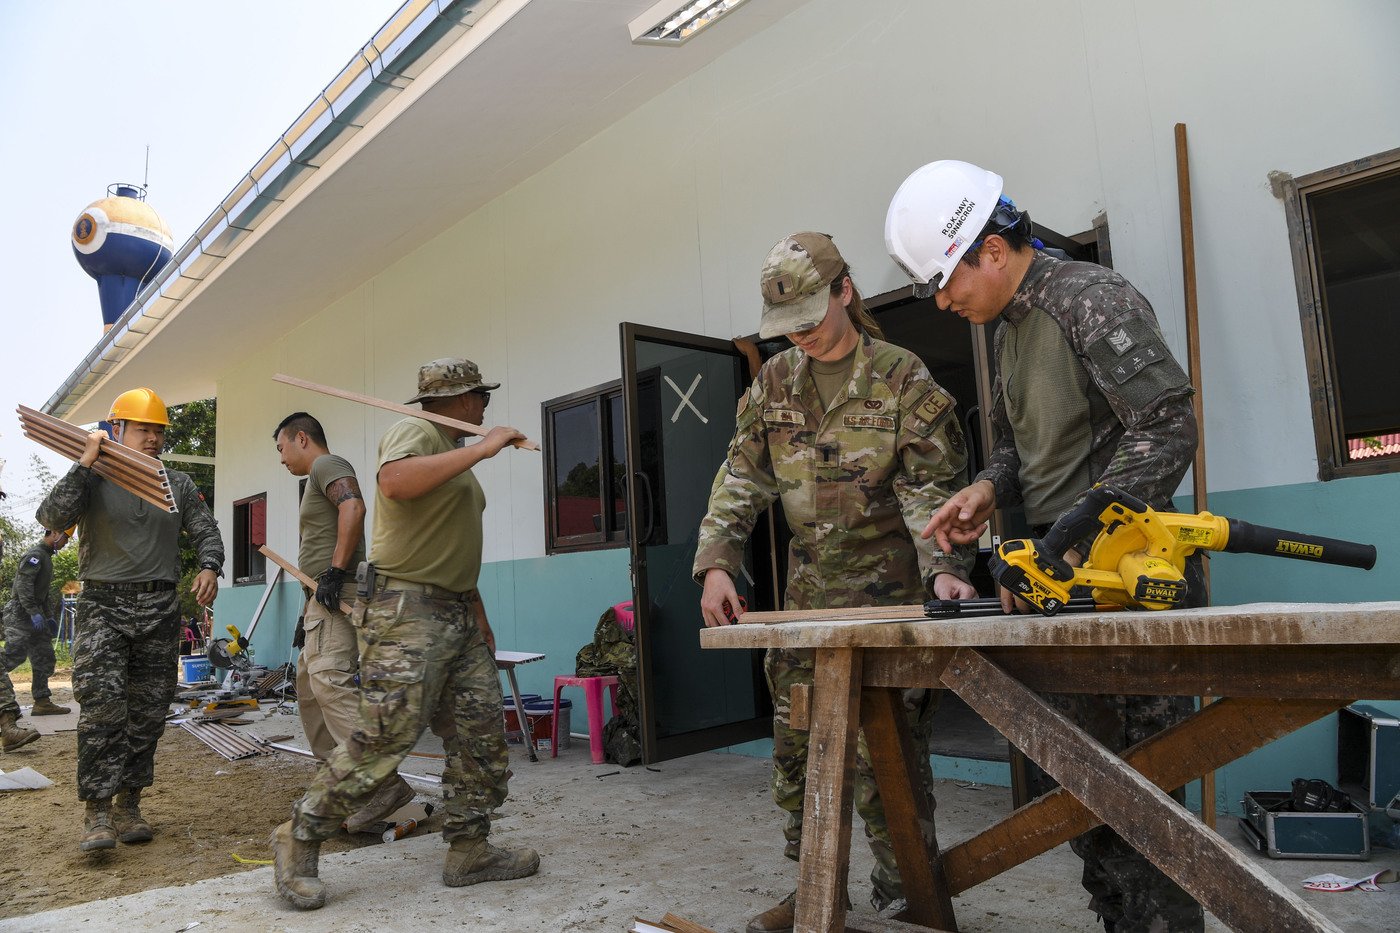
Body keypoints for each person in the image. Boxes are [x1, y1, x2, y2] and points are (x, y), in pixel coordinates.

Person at [887, 159, 1203, 933]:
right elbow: (1021, 449)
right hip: (1064, 589)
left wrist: (1074, 529)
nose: (942, 299)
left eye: (945, 279)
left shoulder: (1090, 299)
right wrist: (988, 488)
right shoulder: (1007, 329)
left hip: (1128, 588)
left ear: (991, 250)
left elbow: (1167, 423)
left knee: (1147, 806)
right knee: (1085, 801)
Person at [694, 232, 976, 932]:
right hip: (805, 606)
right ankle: (814, 889)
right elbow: (742, 475)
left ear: (844, 292)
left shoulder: (901, 377)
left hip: (891, 604)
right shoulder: (774, 382)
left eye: (812, 320)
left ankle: (907, 894)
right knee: (799, 754)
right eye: (788, 327)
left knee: (891, 762)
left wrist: (944, 571)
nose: (802, 337)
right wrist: (719, 559)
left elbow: (929, 490)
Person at [272, 358, 537, 910]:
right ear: (460, 400)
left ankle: (470, 849)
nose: (485, 406)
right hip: (406, 611)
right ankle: (299, 838)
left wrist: (478, 611)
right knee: (384, 738)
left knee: (479, 735)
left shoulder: (449, 457)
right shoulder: (413, 431)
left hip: (456, 611)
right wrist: (485, 447)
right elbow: (392, 484)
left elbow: (450, 544)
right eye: (479, 397)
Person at [37, 387, 223, 854]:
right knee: (103, 709)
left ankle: (128, 804)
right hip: (103, 607)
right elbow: (52, 516)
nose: (154, 438)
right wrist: (84, 463)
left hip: (159, 610)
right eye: (144, 429)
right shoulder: (92, 478)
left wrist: (209, 566)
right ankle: (97, 810)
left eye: (159, 431)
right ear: (117, 428)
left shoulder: (176, 484)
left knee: (147, 713)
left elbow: (207, 530)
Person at [272, 411, 415, 829]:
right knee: (309, 689)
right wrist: (307, 609)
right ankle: (338, 781)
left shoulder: (325, 465)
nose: (281, 459)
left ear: (302, 438)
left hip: (337, 591)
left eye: (281, 448)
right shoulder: (315, 476)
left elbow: (353, 506)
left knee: (329, 681)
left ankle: (380, 781)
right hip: (319, 597)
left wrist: (335, 572)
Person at [2, 527, 72, 716]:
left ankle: (42, 701)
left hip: (35, 613)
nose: (66, 543)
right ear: (55, 533)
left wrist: (48, 616)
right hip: (20, 613)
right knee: (14, 655)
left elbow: (44, 591)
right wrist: (33, 612)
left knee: (44, 656)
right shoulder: (35, 555)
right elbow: (24, 587)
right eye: (65, 538)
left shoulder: (46, 556)